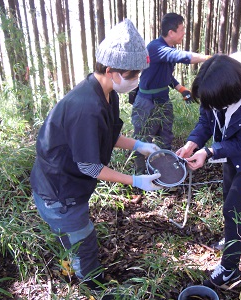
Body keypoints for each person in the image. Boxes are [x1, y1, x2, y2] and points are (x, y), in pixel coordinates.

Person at [30, 19, 162, 291]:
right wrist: (135, 181)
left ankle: (72, 261)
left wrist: (139, 145)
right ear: (111, 70)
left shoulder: (107, 94)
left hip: (67, 184)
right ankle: (94, 287)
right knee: (84, 241)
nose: (135, 80)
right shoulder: (85, 107)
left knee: (75, 236)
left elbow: (109, 135)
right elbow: (90, 167)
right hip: (59, 192)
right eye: (131, 75)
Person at [177, 52, 241, 289]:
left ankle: (230, 268)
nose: (210, 105)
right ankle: (234, 237)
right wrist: (193, 142)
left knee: (233, 207)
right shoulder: (218, 87)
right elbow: (207, 120)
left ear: (230, 96)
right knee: (229, 198)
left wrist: (210, 152)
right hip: (232, 150)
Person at [131, 12, 210, 174]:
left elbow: (166, 74)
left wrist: (181, 89)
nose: (183, 34)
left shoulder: (167, 48)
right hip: (145, 102)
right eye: (181, 30)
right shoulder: (156, 47)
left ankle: (164, 173)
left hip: (163, 100)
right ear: (171, 32)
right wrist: (209, 58)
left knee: (165, 137)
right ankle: (139, 176)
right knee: (142, 139)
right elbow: (182, 57)